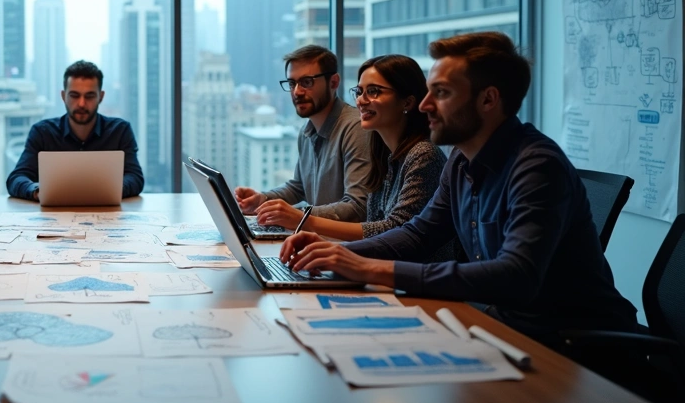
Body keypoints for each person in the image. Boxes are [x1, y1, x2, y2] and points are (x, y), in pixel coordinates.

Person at [280, 32, 637, 340]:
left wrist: (370, 268)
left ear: (488, 99)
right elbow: (419, 234)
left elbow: (516, 277)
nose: (424, 105)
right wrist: (342, 254)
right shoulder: (461, 162)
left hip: (578, 345)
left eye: (442, 93)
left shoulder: (537, 166)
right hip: (505, 326)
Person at [255, 54, 453, 260]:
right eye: (359, 92)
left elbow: (396, 230)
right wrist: (323, 245)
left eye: (373, 91)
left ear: (408, 101)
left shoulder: (423, 155)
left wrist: (305, 220)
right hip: (386, 270)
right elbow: (375, 223)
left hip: (415, 281)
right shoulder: (384, 154)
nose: (361, 100)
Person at [234, 45, 370, 222]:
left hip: (343, 245)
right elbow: (299, 187)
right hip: (316, 239)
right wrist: (262, 199)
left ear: (334, 82)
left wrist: (299, 216)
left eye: (307, 82)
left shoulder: (355, 128)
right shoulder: (307, 131)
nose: (297, 91)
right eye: (292, 83)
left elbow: (357, 206)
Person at [6, 60, 144, 201]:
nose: (81, 103)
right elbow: (16, 178)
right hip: (54, 217)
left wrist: (112, 190)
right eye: (74, 95)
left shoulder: (120, 131)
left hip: (108, 215)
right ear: (63, 96)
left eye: (89, 96)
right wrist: (37, 191)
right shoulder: (43, 132)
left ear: (100, 97)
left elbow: (135, 177)